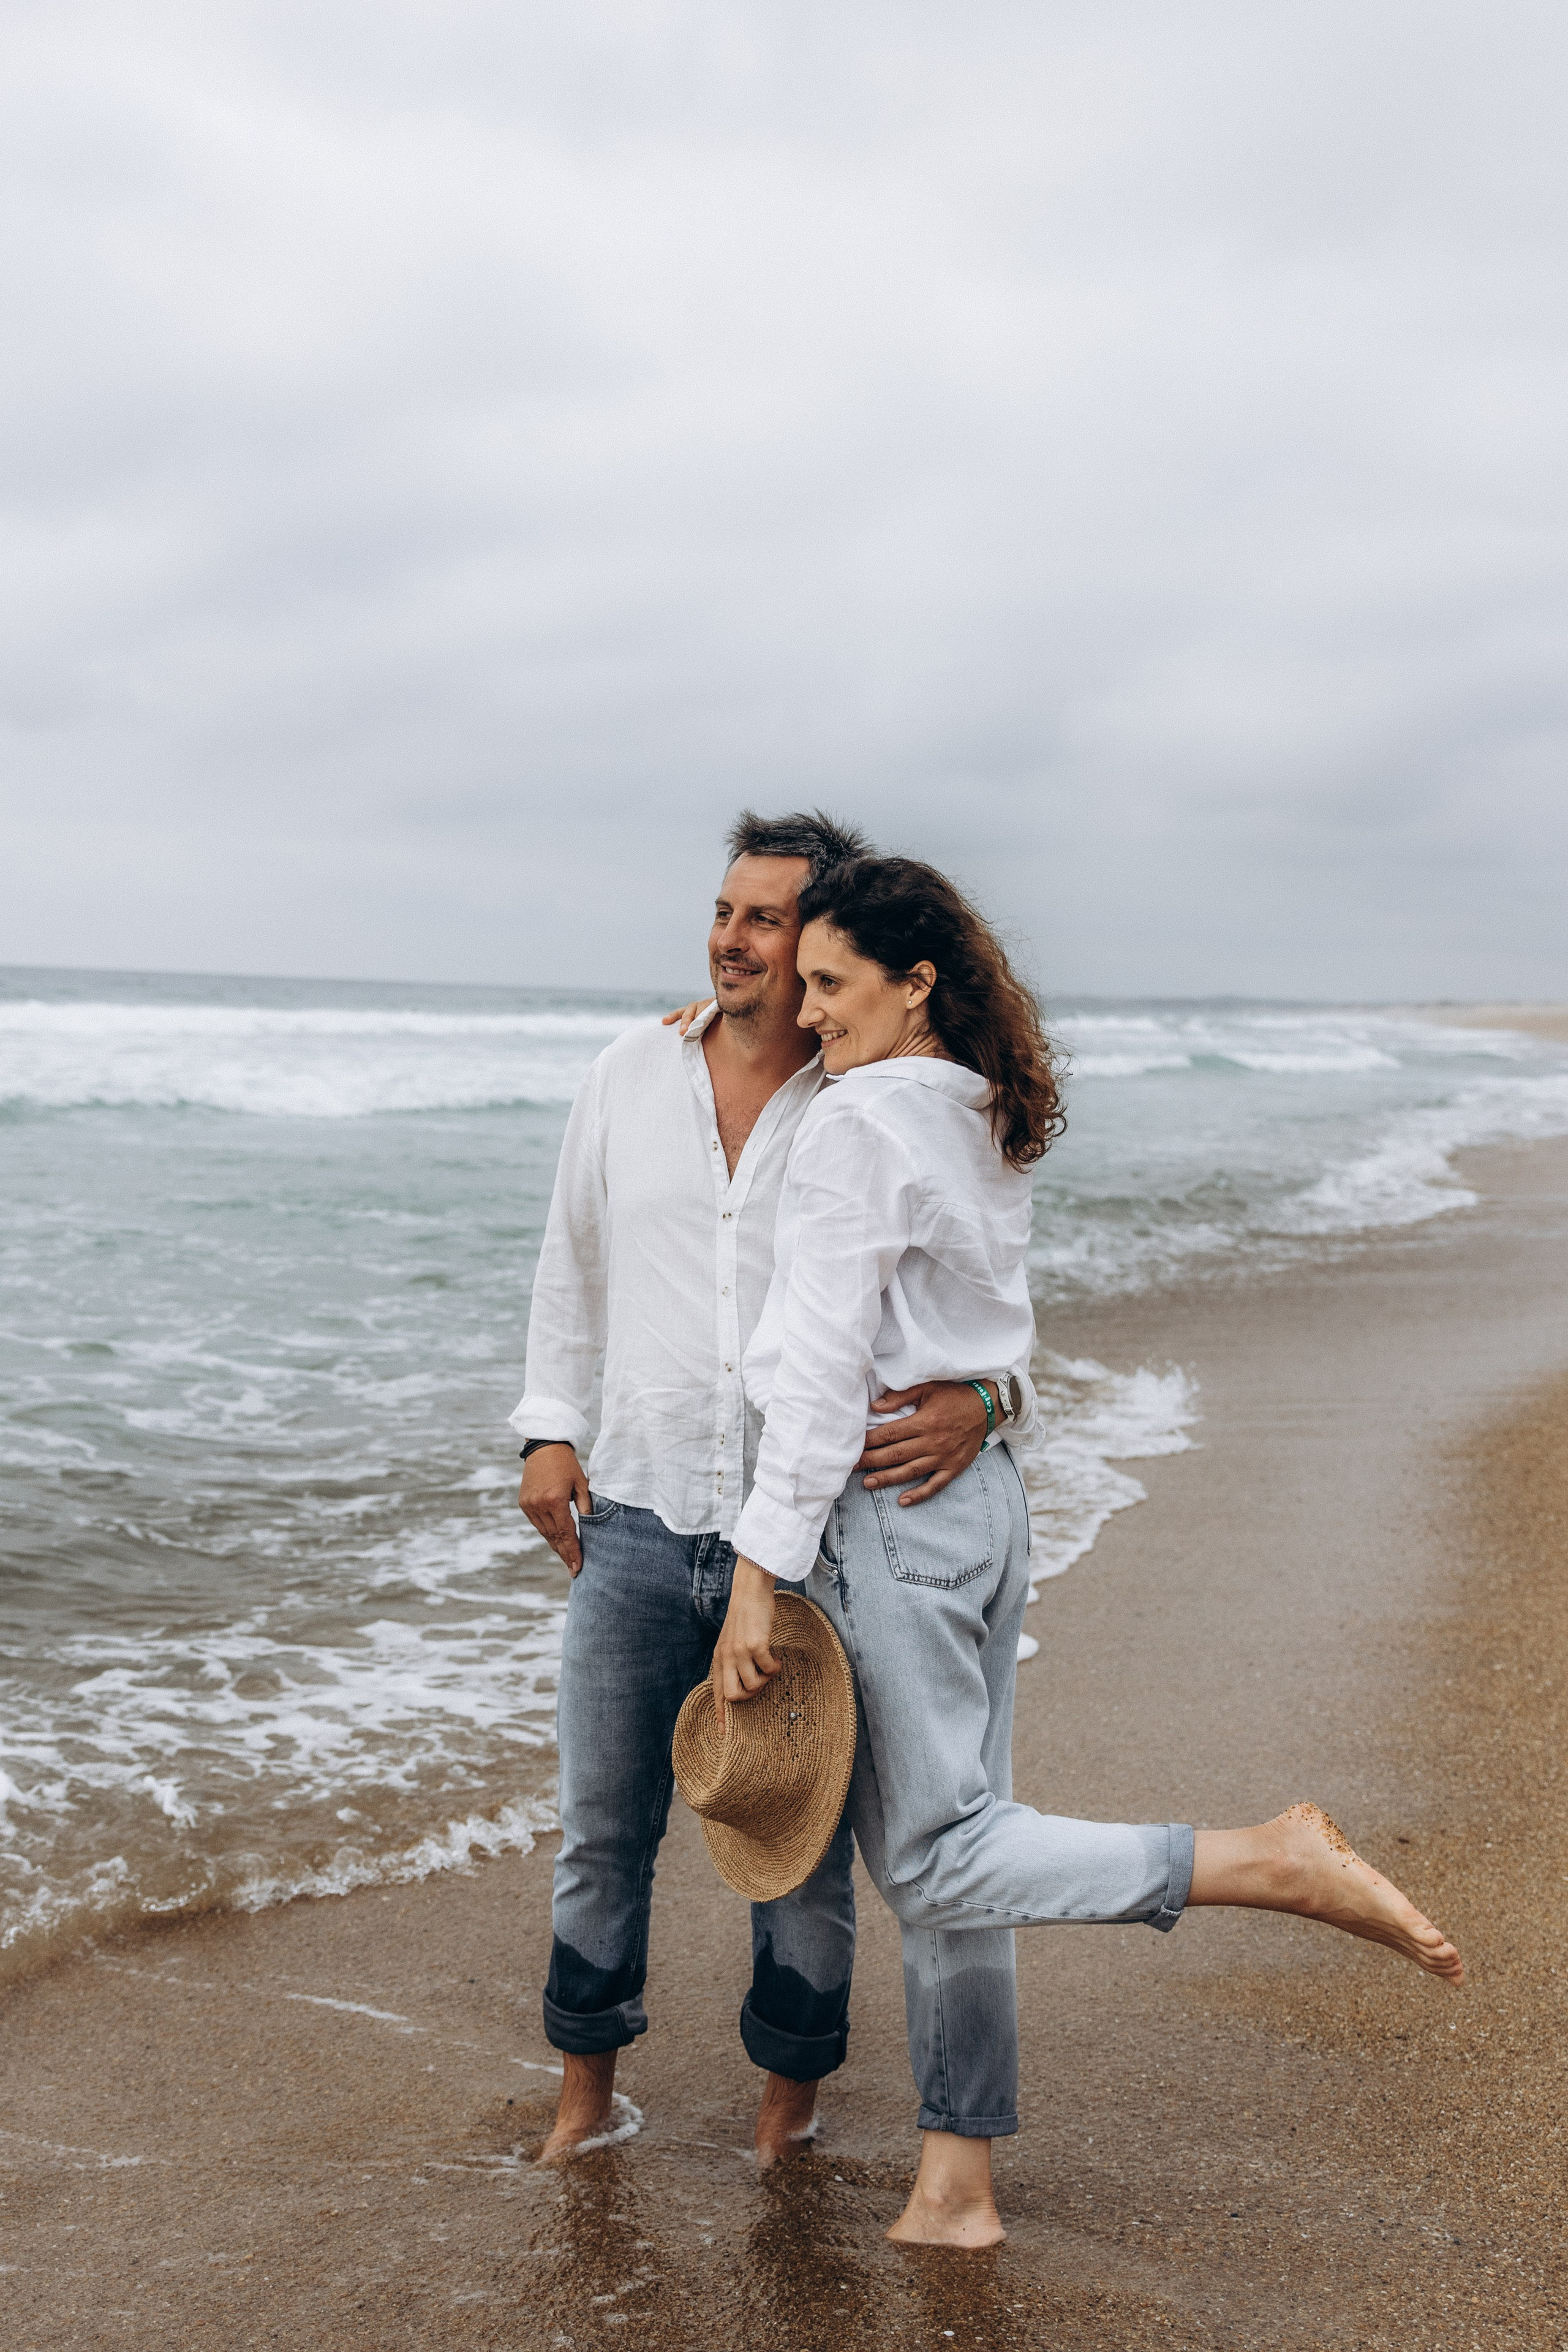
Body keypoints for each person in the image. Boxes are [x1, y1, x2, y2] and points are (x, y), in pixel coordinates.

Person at [710, 853, 1463, 2248]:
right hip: (984, 1500)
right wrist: (987, 1406)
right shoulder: (974, 1107)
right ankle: (956, 2184)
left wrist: (758, 1574)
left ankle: (1257, 1861)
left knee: (937, 1862)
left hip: (890, 1512)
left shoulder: (858, 1122)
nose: (807, 1014)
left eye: (829, 983)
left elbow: (817, 1368)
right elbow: (988, 1333)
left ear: (912, 980)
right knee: (975, 1841)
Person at [512, 812, 1022, 2166]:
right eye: (723, 913)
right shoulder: (630, 1069)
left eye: (766, 921)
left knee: (792, 1857)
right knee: (603, 1834)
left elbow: (962, 1288)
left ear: (829, 945)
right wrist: (545, 1430)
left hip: (809, 1547)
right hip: (632, 1513)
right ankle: (582, 2105)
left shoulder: (872, 1098)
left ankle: (782, 2119)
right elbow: (572, 1262)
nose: (732, 941)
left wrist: (989, 1399)